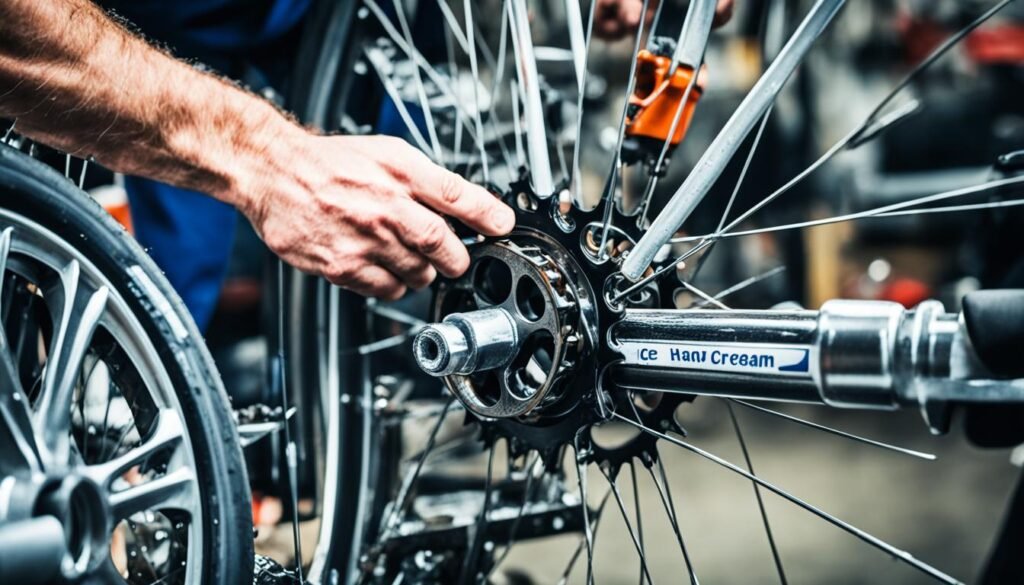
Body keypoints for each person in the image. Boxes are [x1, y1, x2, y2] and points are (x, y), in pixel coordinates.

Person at [0, 0, 732, 317]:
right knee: (163, 292)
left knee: (406, 228)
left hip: (328, 25)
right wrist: (265, 158)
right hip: (129, 37)